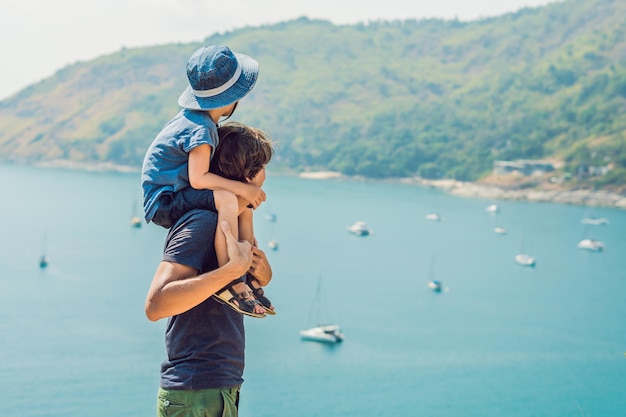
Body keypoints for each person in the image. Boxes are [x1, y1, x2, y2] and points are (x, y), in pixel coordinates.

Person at [141, 45, 267, 316]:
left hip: (170, 195)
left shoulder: (194, 119)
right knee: (227, 198)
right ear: (229, 98)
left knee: (241, 205)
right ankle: (232, 277)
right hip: (165, 201)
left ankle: (246, 276)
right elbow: (199, 179)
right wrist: (241, 187)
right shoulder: (202, 129)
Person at [145, 215, 273, 417]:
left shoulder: (234, 226)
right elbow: (155, 305)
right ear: (243, 181)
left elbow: (236, 290)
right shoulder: (203, 223)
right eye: (258, 184)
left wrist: (263, 274)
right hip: (197, 392)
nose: (261, 195)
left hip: (216, 388)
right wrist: (232, 270)